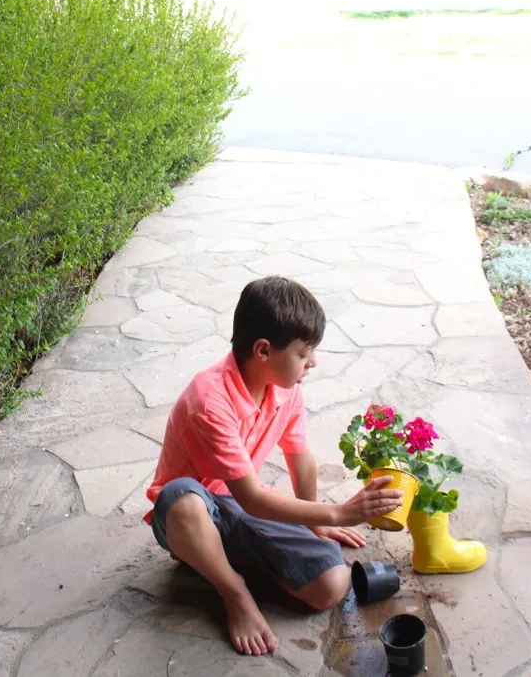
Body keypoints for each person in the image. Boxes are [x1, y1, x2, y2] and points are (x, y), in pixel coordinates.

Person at [144, 275, 403, 656]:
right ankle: (233, 590)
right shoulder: (209, 399)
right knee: (182, 498)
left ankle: (220, 556)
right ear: (263, 350)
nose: (312, 362)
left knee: (330, 584)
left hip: (237, 509)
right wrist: (338, 513)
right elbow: (250, 498)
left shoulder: (287, 389)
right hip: (189, 515)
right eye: (303, 352)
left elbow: (300, 458)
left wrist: (315, 522)